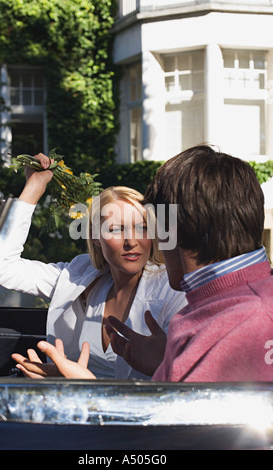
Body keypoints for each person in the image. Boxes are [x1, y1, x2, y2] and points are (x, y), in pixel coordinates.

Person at [31, 145, 273, 382]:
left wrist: (87, 389)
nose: (136, 240)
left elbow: (176, 420)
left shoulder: (240, 322)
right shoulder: (228, 303)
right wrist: (165, 365)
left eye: (147, 227)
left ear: (172, 231)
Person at [0, 153, 187, 379]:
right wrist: (34, 187)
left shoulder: (173, 289)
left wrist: (82, 383)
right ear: (96, 236)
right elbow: (1, 266)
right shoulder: (81, 275)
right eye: (116, 229)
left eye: (142, 227)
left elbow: (186, 380)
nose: (131, 241)